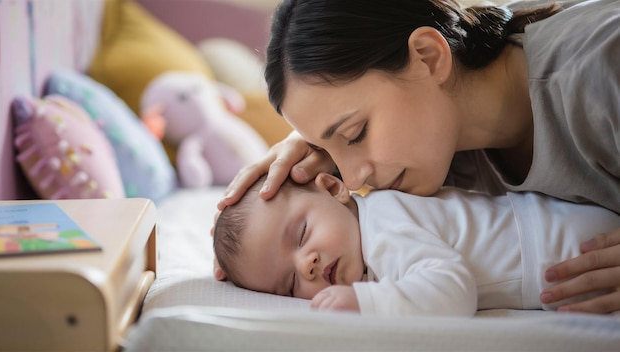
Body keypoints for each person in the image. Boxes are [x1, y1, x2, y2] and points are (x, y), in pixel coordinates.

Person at [217, 0, 620, 314]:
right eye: (328, 149)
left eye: (355, 134)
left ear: (428, 56)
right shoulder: (437, 145)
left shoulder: (600, 71)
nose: (354, 177)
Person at [213, 173, 620, 316]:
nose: (308, 266)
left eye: (302, 236)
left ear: (334, 188)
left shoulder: (383, 226)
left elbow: (454, 290)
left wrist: (367, 304)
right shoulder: (367, 240)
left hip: (576, 247)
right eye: (289, 285)